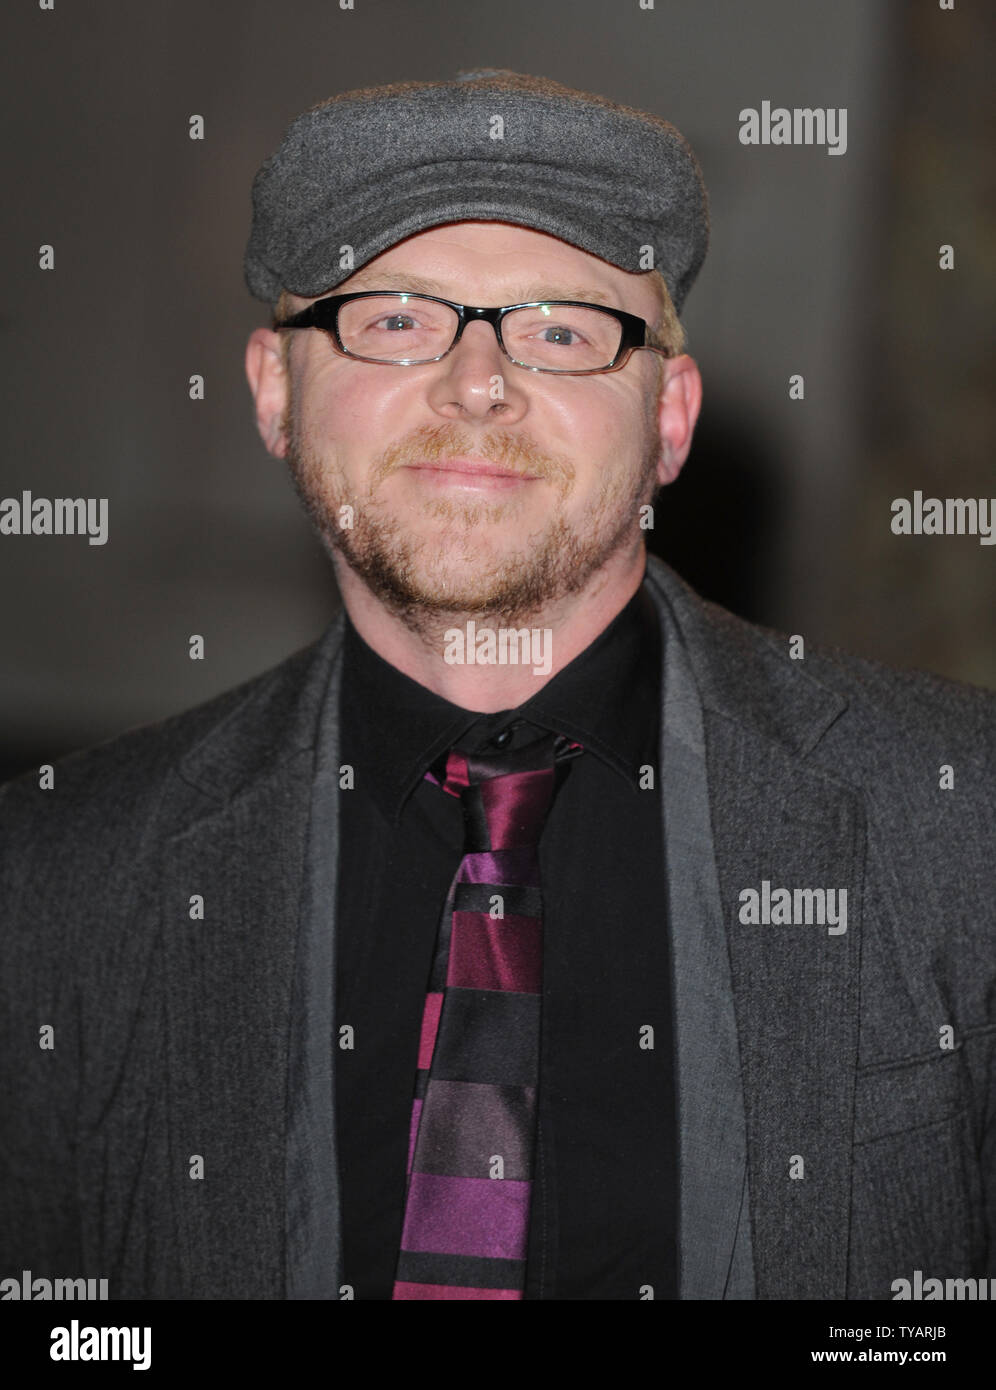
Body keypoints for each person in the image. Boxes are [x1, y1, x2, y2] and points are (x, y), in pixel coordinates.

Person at [1, 70, 993, 1302]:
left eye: (562, 330)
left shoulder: (963, 827)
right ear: (272, 390)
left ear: (670, 420)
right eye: (399, 319)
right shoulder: (56, 882)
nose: (479, 384)